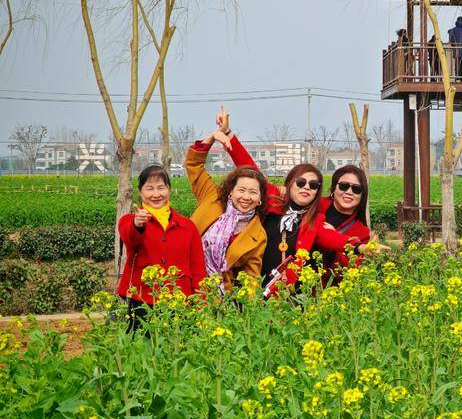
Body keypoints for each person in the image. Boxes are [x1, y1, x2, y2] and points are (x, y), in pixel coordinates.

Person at [212, 108, 373, 294]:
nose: (306, 187)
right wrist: (228, 134)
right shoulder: (276, 201)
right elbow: (251, 171)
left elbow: (336, 244)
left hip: (297, 292)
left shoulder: (317, 219)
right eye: (301, 182)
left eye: (313, 185)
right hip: (253, 284)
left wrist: (360, 247)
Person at [116, 164, 206, 331]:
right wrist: (137, 224)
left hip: (180, 301)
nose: (156, 194)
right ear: (140, 192)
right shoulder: (129, 221)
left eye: (161, 188)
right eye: (149, 188)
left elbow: (198, 269)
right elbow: (130, 237)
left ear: (169, 190)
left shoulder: (187, 226)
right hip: (142, 300)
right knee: (142, 344)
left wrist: (200, 302)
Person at [185, 132, 268, 293]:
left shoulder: (258, 235)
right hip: (184, 282)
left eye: (253, 192)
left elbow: (251, 278)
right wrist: (212, 137)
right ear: (231, 191)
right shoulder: (212, 197)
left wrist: (252, 305)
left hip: (217, 295)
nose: (246, 197)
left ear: (260, 198)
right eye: (241, 190)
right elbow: (194, 166)